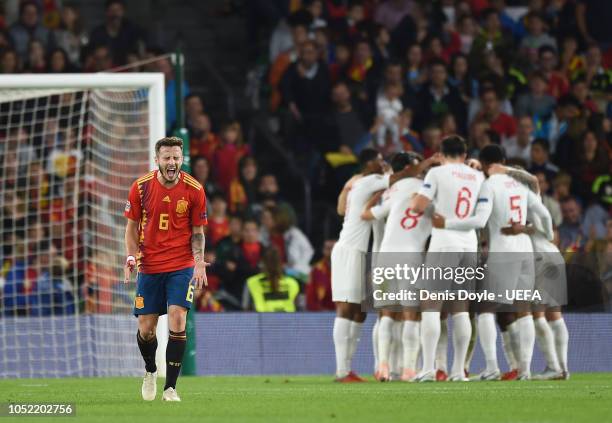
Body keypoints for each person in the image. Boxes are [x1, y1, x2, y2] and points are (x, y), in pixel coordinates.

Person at [433, 145, 554, 380]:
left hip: (503, 252)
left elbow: (479, 220)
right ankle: (525, 369)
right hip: (525, 251)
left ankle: (491, 366)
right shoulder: (520, 184)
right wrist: (547, 235)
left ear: (488, 166)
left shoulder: (490, 185)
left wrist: (447, 224)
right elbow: (545, 214)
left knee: (485, 310)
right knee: (524, 311)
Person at [123, 137, 208, 402]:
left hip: (181, 265)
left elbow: (198, 232)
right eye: (167, 158)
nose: (172, 162)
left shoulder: (195, 189)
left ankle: (170, 388)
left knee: (177, 318)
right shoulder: (140, 187)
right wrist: (130, 257)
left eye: (176, 157)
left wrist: (198, 261)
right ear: (157, 159)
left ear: (181, 159)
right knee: (146, 328)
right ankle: (150, 370)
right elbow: (131, 227)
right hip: (149, 266)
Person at [332, 148, 427, 382]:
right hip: (353, 250)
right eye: (378, 161)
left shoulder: (374, 187)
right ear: (368, 164)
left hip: (373, 254)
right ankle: (343, 370)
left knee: (363, 314)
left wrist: (348, 189)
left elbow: (342, 209)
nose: (383, 164)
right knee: (348, 309)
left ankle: (378, 367)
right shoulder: (372, 181)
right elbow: (399, 176)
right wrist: (428, 165)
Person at [410, 135, 484, 382]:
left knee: (431, 305)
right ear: (464, 155)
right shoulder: (477, 176)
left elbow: (418, 206)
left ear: (441, 153)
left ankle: (428, 369)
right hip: (469, 244)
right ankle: (457, 371)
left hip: (444, 242)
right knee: (461, 309)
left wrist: (426, 205)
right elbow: (480, 216)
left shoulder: (437, 174)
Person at [362, 152, 436, 381]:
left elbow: (366, 214)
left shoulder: (391, 191)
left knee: (386, 314)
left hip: (385, 254)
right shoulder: (426, 185)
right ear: (407, 167)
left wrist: (375, 196)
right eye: (416, 164)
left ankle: (383, 366)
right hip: (410, 256)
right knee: (410, 314)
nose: (421, 168)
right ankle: (408, 369)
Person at [245, 247, 300, 312]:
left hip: (261, 321)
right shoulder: (292, 283)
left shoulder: (252, 282)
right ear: (281, 262)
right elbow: (299, 308)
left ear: (262, 262)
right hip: (288, 320)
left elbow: (245, 307)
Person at [306, 239, 336, 311]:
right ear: (323, 250)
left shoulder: (349, 269)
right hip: (323, 313)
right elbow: (310, 297)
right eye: (328, 248)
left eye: (335, 249)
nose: (332, 251)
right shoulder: (316, 270)